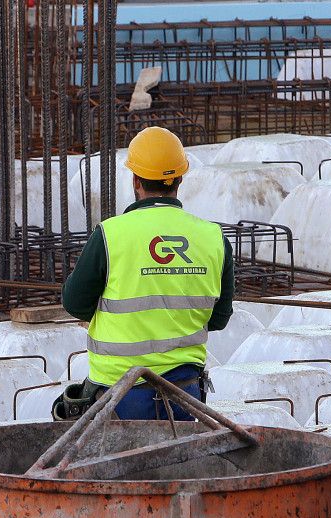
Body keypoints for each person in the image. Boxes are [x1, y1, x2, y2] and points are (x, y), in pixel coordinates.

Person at [59, 126, 234, 420]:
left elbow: (74, 303)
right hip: (185, 399)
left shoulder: (110, 235)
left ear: (135, 180)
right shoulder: (213, 238)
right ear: (179, 179)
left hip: (117, 399)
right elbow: (218, 318)